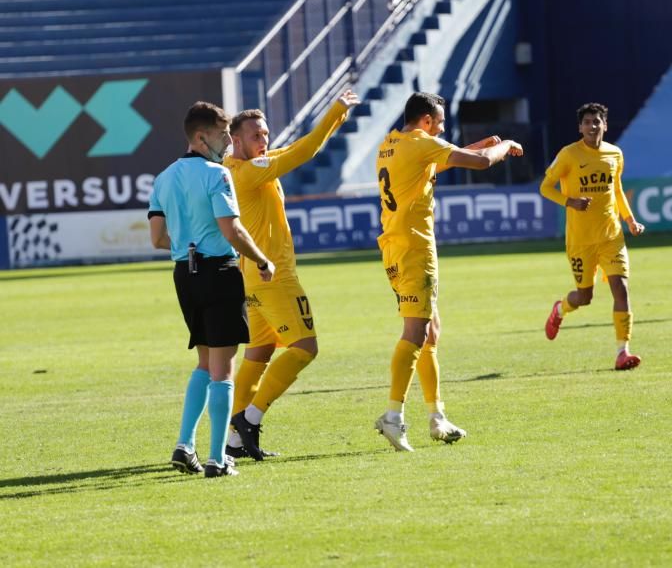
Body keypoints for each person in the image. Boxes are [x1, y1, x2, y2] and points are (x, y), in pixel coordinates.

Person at [373, 91, 523, 452]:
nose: (442, 128)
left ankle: (437, 417)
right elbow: (483, 163)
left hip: (395, 246)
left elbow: (437, 162)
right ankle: (392, 416)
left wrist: (476, 146)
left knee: (430, 333)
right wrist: (505, 146)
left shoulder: (392, 143)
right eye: (439, 123)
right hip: (414, 250)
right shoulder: (422, 143)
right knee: (416, 331)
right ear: (426, 121)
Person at [223, 90, 361, 461]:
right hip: (274, 278)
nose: (264, 141)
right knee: (305, 348)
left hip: (251, 278)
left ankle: (234, 442)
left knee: (259, 353)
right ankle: (250, 418)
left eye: (266, 134)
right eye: (256, 135)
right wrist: (336, 110)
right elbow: (304, 152)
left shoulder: (239, 164)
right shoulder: (249, 172)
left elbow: (293, 148)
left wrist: (337, 120)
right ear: (236, 140)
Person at [148, 101, 275, 478]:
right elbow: (231, 229)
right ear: (201, 137)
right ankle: (218, 460)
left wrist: (186, 239)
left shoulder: (164, 177)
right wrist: (263, 260)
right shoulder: (216, 175)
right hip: (218, 272)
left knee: (205, 363)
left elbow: (157, 238)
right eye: (223, 135)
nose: (227, 142)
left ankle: (185, 444)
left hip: (183, 275)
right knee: (223, 371)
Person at [540, 102, 645, 371]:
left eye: (597, 121)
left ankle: (623, 351)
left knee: (621, 289)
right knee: (584, 297)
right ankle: (560, 309)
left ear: (605, 125)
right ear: (580, 127)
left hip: (611, 236)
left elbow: (617, 189)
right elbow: (545, 187)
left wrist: (630, 219)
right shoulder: (568, 154)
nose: (592, 126)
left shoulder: (615, 154)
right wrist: (570, 202)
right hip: (581, 240)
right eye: (587, 122)